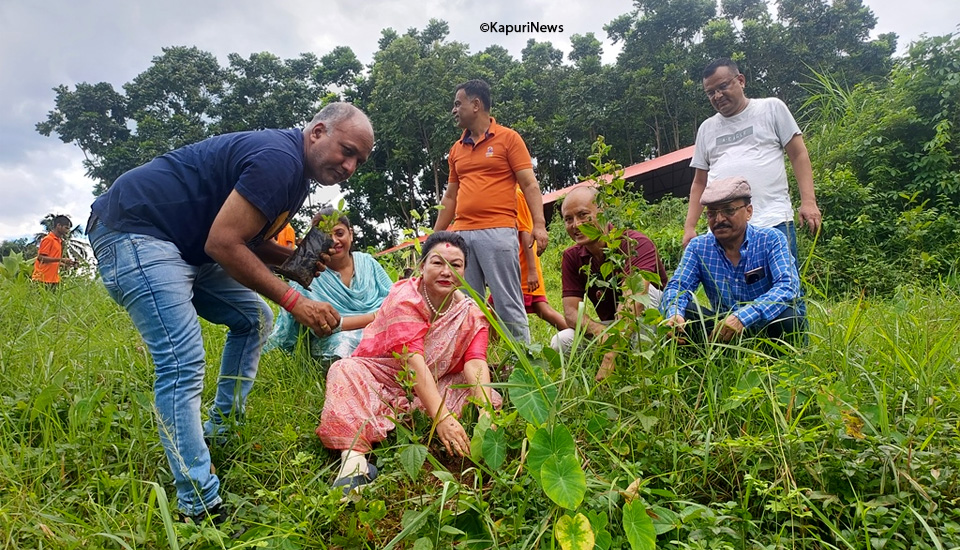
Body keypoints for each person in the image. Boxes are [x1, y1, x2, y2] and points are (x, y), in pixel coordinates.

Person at [86, 102, 374, 522]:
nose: (349, 166)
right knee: (182, 365)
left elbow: (247, 242)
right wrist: (296, 301)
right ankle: (199, 505)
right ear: (317, 132)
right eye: (346, 150)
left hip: (188, 247)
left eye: (358, 161)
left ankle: (219, 430)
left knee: (254, 319)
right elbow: (224, 245)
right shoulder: (280, 161)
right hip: (136, 231)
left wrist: (299, 259)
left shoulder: (295, 179)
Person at [316, 232, 501, 494]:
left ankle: (398, 420)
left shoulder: (470, 313)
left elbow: (475, 362)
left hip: (434, 383)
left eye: (456, 265)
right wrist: (442, 418)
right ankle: (354, 463)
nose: (446, 271)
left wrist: (486, 412)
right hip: (384, 377)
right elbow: (412, 364)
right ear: (422, 265)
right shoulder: (404, 298)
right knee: (344, 370)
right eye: (437, 263)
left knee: (468, 386)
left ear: (465, 271)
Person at [434, 79, 548, 344]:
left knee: (508, 302)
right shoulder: (456, 149)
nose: (453, 110)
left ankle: (525, 366)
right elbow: (450, 196)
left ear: (476, 105)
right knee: (467, 306)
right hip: (462, 235)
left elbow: (529, 184)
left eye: (457, 104)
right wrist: (435, 237)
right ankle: (475, 366)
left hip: (498, 232)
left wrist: (538, 225)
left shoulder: (508, 139)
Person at [683, 58, 822, 259]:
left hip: (773, 222)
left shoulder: (771, 108)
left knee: (784, 286)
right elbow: (699, 182)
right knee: (729, 290)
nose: (717, 96)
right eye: (710, 92)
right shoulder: (706, 128)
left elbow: (798, 154)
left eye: (723, 86)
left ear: (741, 80)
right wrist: (690, 227)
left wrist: (808, 202)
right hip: (724, 229)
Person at [662, 176, 806, 344]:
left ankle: (778, 362)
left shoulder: (771, 239)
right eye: (712, 213)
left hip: (766, 324)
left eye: (729, 211)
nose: (719, 219)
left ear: (749, 212)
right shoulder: (698, 247)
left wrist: (742, 317)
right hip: (721, 330)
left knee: (790, 317)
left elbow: (788, 286)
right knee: (683, 313)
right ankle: (710, 359)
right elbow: (678, 286)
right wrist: (675, 313)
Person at [550, 186, 668, 380]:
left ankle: (645, 375)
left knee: (647, 294)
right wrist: (602, 333)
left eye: (583, 215)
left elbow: (635, 302)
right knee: (561, 341)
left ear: (602, 213)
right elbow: (571, 313)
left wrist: (609, 356)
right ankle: (596, 375)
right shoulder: (572, 257)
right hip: (614, 327)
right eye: (568, 219)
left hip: (655, 322)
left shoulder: (634, 243)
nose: (576, 225)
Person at [266, 209, 393, 362]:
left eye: (339, 233)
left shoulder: (368, 263)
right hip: (338, 340)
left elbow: (394, 300)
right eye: (326, 236)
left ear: (350, 234)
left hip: (382, 328)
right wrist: (375, 317)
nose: (334, 241)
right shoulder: (309, 274)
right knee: (343, 345)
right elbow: (324, 328)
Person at [516, 186, 567, 331]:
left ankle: (492, 350)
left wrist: (532, 271)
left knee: (496, 307)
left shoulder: (516, 194)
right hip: (520, 261)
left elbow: (525, 233)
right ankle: (579, 339)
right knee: (540, 307)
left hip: (522, 263)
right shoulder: (512, 192)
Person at [32, 215, 76, 289]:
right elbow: (41, 258)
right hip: (41, 279)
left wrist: (64, 264)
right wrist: (61, 260)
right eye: (66, 228)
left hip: (53, 280)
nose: (67, 231)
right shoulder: (48, 239)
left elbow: (52, 260)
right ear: (58, 225)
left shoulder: (59, 241)